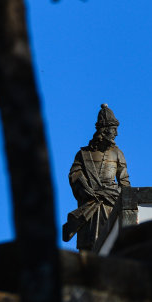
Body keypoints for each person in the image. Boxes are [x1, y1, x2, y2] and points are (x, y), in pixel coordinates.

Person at [63, 104, 130, 252]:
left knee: (111, 245)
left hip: (110, 205)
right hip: (90, 207)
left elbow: (125, 183)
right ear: (104, 131)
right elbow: (74, 177)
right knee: (88, 248)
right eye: (114, 130)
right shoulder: (83, 154)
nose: (116, 134)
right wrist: (86, 190)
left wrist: (113, 194)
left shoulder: (118, 154)